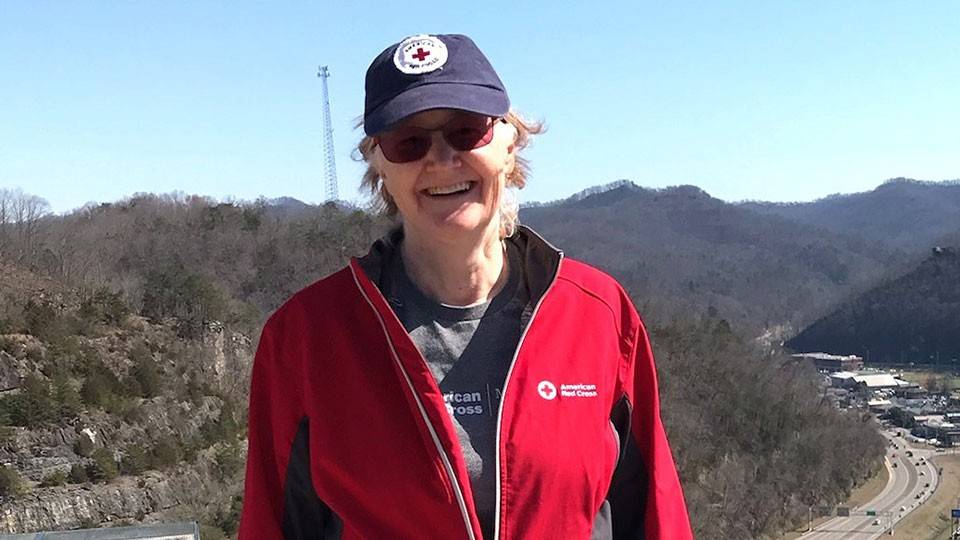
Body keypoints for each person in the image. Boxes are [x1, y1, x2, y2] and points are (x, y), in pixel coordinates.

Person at [239, 33, 692, 540]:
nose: (441, 159)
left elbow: (654, 512)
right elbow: (272, 523)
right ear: (378, 165)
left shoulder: (598, 312)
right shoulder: (306, 336)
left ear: (508, 142)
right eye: (408, 142)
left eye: (466, 131)